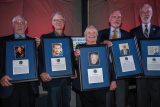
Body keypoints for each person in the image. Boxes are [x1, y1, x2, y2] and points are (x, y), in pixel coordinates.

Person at [0, 15, 39, 107]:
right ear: (12, 25)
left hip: (29, 87)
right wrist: (1, 76)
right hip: (9, 86)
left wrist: (39, 49)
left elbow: (40, 62)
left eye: (22, 23)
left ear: (26, 26)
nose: (19, 25)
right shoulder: (2, 41)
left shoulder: (34, 42)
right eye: (16, 23)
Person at [74, 25, 116, 107]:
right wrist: (75, 56)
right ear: (85, 36)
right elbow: (75, 65)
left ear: (97, 36)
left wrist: (113, 80)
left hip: (100, 86)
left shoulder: (103, 48)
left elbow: (110, 65)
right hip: (86, 87)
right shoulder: (79, 48)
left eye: (94, 33)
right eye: (89, 33)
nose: (91, 34)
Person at [38, 12, 74, 107]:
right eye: (55, 20)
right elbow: (39, 57)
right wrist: (41, 72)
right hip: (52, 80)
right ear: (52, 23)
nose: (58, 22)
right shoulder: (45, 38)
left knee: (66, 104)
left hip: (66, 80)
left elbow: (71, 58)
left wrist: (74, 71)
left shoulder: (69, 39)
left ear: (64, 23)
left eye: (61, 20)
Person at [98, 10, 131, 107]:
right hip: (106, 73)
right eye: (114, 17)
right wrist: (102, 43)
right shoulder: (100, 34)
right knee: (107, 102)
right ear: (109, 19)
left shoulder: (127, 35)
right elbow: (94, 49)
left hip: (122, 73)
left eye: (119, 17)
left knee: (121, 102)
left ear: (121, 20)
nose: (117, 19)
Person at [130, 4, 160, 107]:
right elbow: (132, 54)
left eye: (148, 12)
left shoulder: (159, 30)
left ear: (152, 14)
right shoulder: (133, 32)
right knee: (142, 101)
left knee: (157, 100)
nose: (145, 14)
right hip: (140, 74)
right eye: (143, 12)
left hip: (156, 74)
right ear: (139, 15)